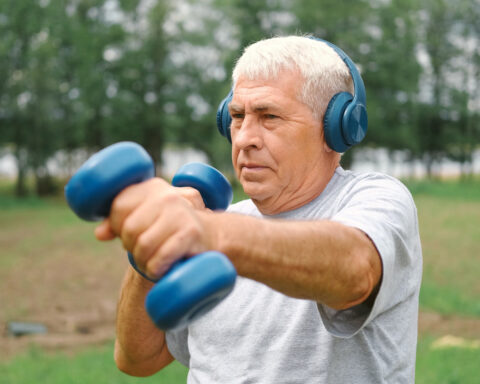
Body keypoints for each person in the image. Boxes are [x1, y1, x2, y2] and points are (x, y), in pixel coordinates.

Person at [95, 35, 422, 383]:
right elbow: (138, 359)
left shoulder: (376, 199)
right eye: (237, 116)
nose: (243, 138)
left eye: (269, 116)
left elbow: (354, 273)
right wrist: (148, 251)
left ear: (336, 127)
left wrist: (206, 234)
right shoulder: (218, 226)